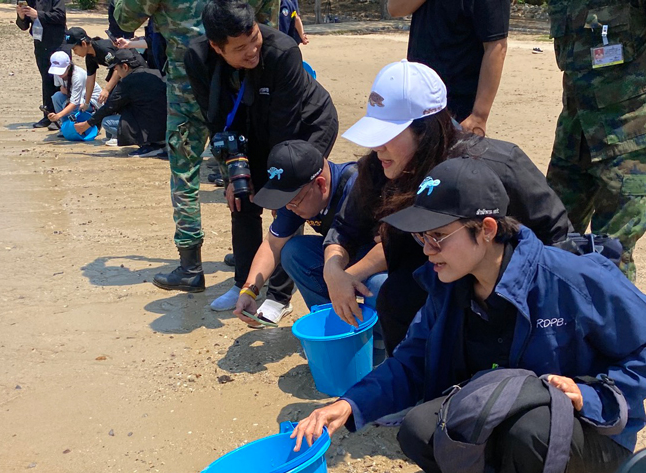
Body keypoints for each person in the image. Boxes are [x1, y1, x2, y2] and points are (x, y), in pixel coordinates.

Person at [291, 157, 646, 473]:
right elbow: (411, 362)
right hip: (503, 412)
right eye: (423, 237)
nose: (428, 249)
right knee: (419, 430)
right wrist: (349, 404)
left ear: (487, 229)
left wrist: (595, 394)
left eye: (439, 237)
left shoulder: (569, 277)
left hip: (589, 435)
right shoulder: (447, 284)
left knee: (531, 421)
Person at [330, 60, 571, 354]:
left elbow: (558, 235)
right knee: (393, 296)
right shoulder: (381, 168)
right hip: (418, 298)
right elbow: (345, 227)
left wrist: (538, 310)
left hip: (493, 302)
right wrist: (335, 271)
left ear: (425, 130)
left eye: (386, 136)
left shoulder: (497, 164)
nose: (377, 148)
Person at [113, 0, 278, 294]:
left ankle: (190, 267)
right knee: (239, 164)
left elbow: (124, 19)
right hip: (237, 82)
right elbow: (266, 24)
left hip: (185, 87)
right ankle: (251, 254)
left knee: (185, 173)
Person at [184, 0, 339, 314]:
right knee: (241, 197)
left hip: (304, 125)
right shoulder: (197, 58)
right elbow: (216, 121)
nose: (252, 50)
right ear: (217, 46)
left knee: (289, 201)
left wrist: (275, 187)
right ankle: (244, 281)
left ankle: (279, 296)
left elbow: (284, 129)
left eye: (254, 38)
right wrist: (234, 174)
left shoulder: (282, 51)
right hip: (249, 126)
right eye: (240, 48)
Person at [544, 0, 646, 281]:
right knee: (552, 237)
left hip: (629, 127)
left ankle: (611, 323)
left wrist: (635, 83)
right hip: (575, 130)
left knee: (611, 252)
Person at [232, 140, 382, 326]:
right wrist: (249, 290)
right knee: (294, 252)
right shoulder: (297, 195)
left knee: (380, 284)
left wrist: (343, 278)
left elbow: (393, 246)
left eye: (293, 201)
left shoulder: (361, 185)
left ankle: (377, 339)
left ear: (320, 184)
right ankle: (335, 324)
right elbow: (273, 245)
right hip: (338, 259)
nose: (288, 207)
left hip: (378, 264)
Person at [387, 0, 511, 134]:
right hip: (417, 97)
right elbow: (395, 8)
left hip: (456, 106)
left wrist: (479, 117)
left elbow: (497, 48)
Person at [75, 49, 167, 158]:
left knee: (107, 122)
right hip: (167, 124)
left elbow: (109, 107)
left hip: (150, 128)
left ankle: (151, 146)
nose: (117, 73)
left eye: (117, 69)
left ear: (125, 67)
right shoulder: (155, 73)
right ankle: (160, 142)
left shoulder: (127, 82)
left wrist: (87, 124)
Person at [15, 0, 67, 129]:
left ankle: (64, 115)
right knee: (46, 79)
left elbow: (60, 16)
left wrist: (38, 14)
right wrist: (21, 16)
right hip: (40, 43)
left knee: (62, 79)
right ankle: (48, 116)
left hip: (58, 42)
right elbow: (23, 26)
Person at [65, 27, 121, 111]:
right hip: (119, 72)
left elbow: (119, 68)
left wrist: (106, 89)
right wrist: (86, 103)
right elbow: (90, 79)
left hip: (130, 71)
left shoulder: (103, 49)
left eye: (75, 49)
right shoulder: (90, 57)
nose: (75, 53)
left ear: (83, 44)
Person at [46, 51, 102, 127]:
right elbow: (61, 88)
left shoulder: (78, 76)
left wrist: (58, 116)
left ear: (68, 66)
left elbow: (75, 102)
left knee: (70, 105)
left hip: (92, 101)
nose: (59, 74)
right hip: (75, 96)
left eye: (61, 70)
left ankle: (89, 123)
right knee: (57, 96)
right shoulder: (58, 74)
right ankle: (65, 125)